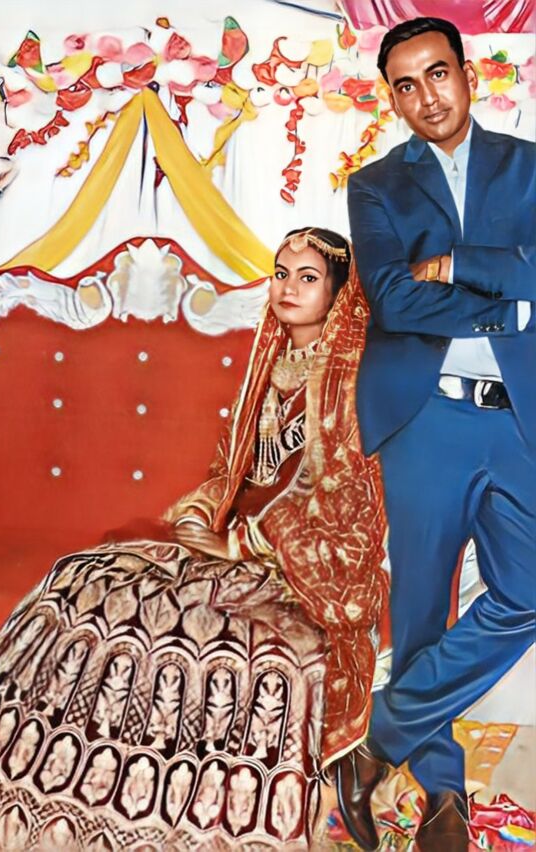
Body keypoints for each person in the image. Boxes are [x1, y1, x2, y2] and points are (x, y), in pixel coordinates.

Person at [0, 228, 388, 850]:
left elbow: (349, 502)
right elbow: (229, 469)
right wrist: (201, 515)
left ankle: (193, 819)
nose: (288, 288)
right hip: (230, 539)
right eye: (280, 273)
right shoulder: (267, 365)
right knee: (84, 585)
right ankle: (66, 798)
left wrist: (243, 546)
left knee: (193, 635)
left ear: (338, 293)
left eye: (308, 278)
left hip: (301, 565)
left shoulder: (351, 383)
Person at [338, 16, 536, 852]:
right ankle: (443, 799)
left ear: (468, 75)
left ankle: (376, 740)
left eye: (438, 73)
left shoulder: (530, 166)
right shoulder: (375, 184)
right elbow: (393, 300)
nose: (426, 95)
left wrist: (459, 265)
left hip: (518, 416)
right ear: (393, 99)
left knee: (527, 591)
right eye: (406, 85)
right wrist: (512, 302)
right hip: (425, 418)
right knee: (420, 605)